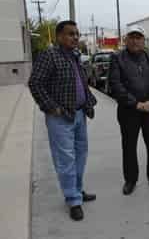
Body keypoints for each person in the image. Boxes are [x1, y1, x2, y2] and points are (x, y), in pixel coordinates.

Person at [28, 20, 97, 221]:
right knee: (66, 159)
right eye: (70, 34)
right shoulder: (49, 56)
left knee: (80, 155)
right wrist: (51, 107)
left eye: (77, 33)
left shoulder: (75, 56)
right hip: (60, 117)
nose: (75, 37)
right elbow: (35, 83)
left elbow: (81, 83)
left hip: (79, 114)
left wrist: (88, 102)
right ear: (59, 36)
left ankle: (77, 189)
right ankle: (73, 200)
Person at [109, 26, 149, 195]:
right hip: (128, 111)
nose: (135, 40)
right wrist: (135, 103)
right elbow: (115, 85)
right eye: (132, 37)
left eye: (138, 37)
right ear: (126, 40)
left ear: (143, 40)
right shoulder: (117, 58)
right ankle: (130, 180)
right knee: (128, 146)